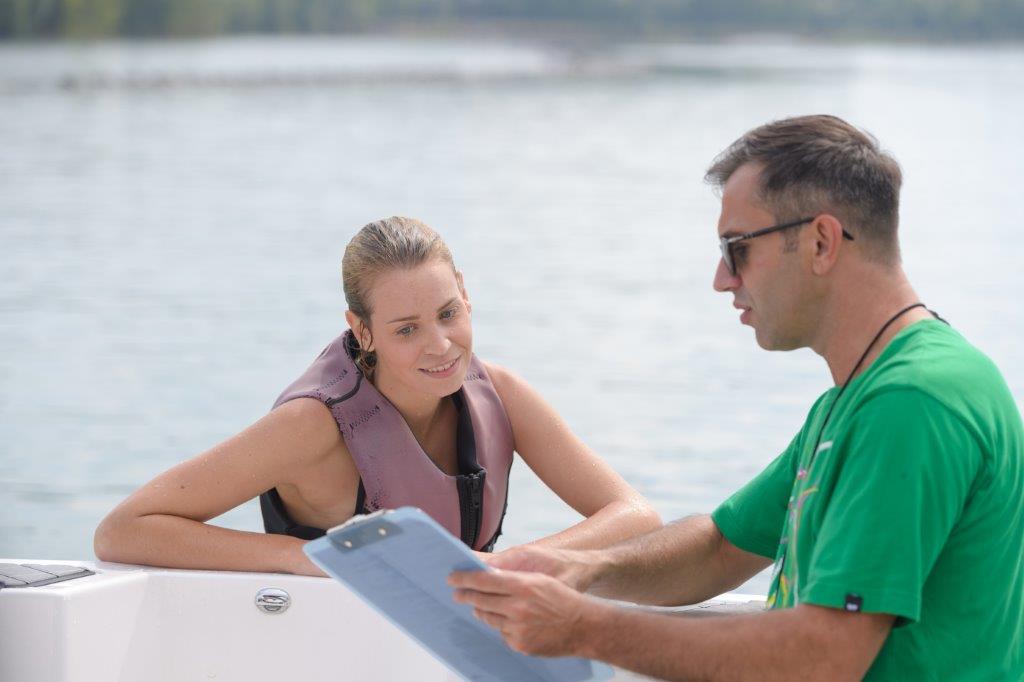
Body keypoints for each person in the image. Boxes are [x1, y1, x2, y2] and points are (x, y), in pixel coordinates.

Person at [450, 115, 1024, 680]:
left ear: (822, 241)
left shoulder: (912, 402)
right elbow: (722, 548)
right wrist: (576, 568)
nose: (722, 279)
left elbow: (825, 655)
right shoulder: (858, 398)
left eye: (737, 248)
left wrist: (584, 628)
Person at [94, 217, 661, 575]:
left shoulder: (502, 395)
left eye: (448, 314)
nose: (440, 346)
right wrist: (305, 558)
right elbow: (123, 530)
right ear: (362, 330)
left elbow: (636, 515)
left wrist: (516, 564)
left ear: (465, 292)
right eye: (406, 329)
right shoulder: (314, 426)